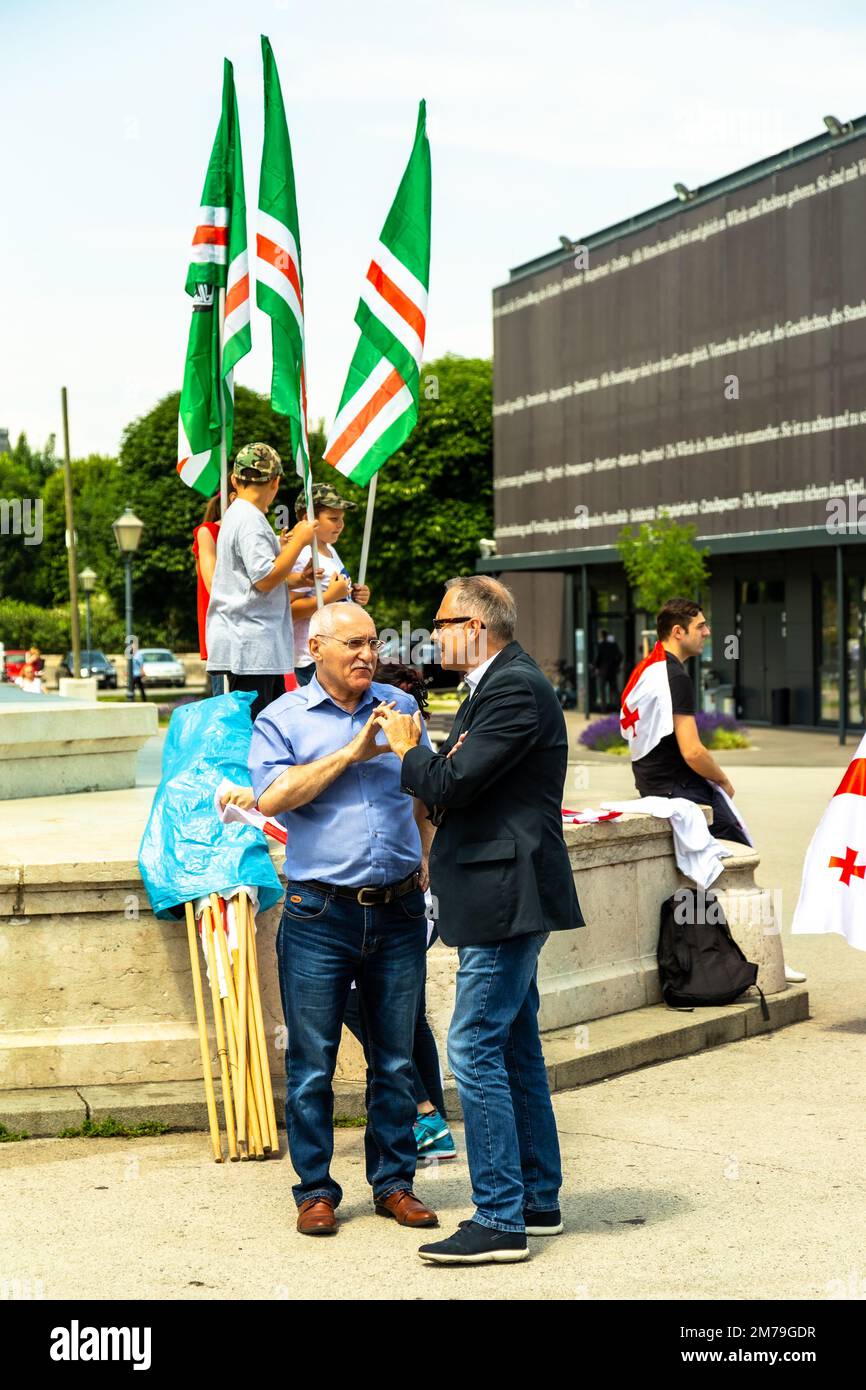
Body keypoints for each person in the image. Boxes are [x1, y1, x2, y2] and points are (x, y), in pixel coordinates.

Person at [374, 575, 584, 1266]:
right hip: (500, 889)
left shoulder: (514, 687)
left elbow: (448, 785)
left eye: (442, 622)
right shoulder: (491, 687)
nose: (432, 634)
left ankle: (499, 1217)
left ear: (478, 624)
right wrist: (431, 761)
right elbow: (455, 784)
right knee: (516, 1043)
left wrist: (410, 746)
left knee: (472, 1048)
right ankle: (537, 1198)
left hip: (506, 895)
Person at [245, 602, 438, 1237]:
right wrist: (352, 753)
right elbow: (272, 797)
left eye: (373, 643)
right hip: (318, 912)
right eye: (352, 643)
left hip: (400, 909)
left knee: (395, 1058)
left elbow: (426, 791)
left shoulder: (400, 709)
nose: (367, 654)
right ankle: (316, 1191)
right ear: (317, 647)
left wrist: (430, 864)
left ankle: (394, 1184)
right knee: (311, 1062)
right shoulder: (282, 718)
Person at [626, 597, 806, 984]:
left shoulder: (650, 669)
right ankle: (761, 957)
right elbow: (693, 751)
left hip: (654, 784)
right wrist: (722, 780)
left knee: (715, 873)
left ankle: (737, 958)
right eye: (701, 626)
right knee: (741, 861)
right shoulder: (675, 676)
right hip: (682, 788)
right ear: (679, 631)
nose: (708, 633)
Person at [341, 662, 457, 1161]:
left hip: (405, 889)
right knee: (408, 1019)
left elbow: (426, 800)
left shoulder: (406, 735)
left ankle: (424, 1110)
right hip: (374, 888)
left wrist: (427, 856)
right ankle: (430, 1119)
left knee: (383, 1011)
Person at [205, 443, 317, 720]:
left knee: (268, 726)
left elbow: (253, 579)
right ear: (276, 482)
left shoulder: (239, 515)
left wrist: (296, 578)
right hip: (251, 648)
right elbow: (264, 579)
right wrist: (299, 542)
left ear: (234, 480)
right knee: (258, 730)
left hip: (252, 647)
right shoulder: (250, 520)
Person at [289, 483, 371, 687]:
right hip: (310, 659)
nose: (340, 525)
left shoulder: (331, 551)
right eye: (333, 519)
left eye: (342, 518)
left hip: (335, 654)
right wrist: (329, 598)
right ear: (307, 519)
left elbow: (338, 593)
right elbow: (289, 609)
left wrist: (354, 596)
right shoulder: (302, 554)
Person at [193, 490, 236, 698]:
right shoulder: (208, 531)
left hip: (243, 629)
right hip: (223, 626)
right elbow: (212, 584)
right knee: (226, 703)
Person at [592, 629, 622, 712]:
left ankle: (603, 708)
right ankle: (618, 706)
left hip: (603, 670)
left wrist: (595, 667)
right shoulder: (613, 645)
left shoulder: (600, 645)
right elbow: (620, 656)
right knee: (614, 689)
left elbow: (598, 657)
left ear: (602, 636)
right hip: (612, 670)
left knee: (602, 690)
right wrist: (616, 665)